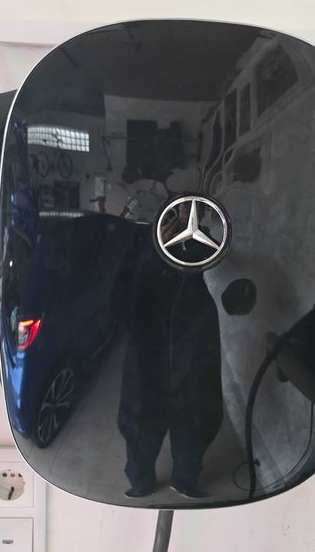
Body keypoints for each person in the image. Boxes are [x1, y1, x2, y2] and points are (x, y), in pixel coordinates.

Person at [118, 201, 223, 498]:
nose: (182, 217)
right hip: (148, 329)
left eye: (189, 209)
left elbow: (207, 261)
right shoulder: (144, 240)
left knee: (195, 407)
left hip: (192, 325)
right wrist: (156, 243)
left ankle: (186, 478)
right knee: (140, 410)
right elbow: (130, 282)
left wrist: (190, 234)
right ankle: (140, 479)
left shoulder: (202, 240)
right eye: (176, 209)